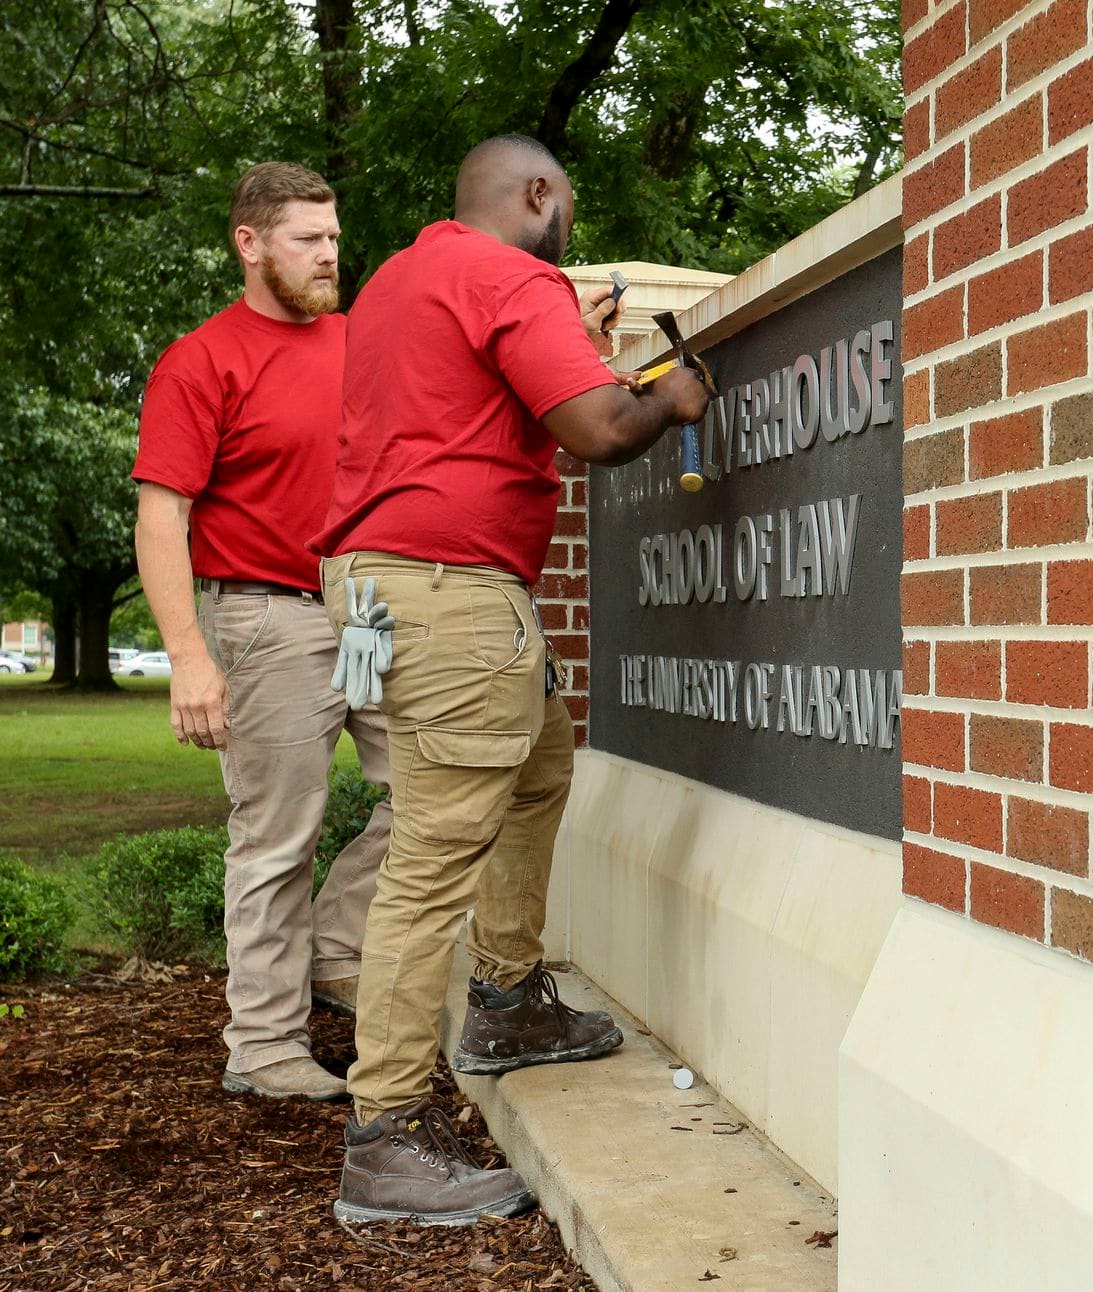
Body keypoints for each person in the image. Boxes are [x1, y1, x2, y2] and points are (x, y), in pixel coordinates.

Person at [313, 133, 711, 1225]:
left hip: (397, 581)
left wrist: (567, 347)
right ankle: (383, 1136)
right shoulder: (511, 275)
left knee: (538, 764)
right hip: (448, 590)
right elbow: (594, 426)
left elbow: (468, 412)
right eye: (565, 205)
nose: (568, 227)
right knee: (430, 853)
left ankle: (505, 997)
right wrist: (668, 396)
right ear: (537, 194)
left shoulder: (403, 277)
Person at [133, 162, 393, 1102]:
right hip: (265, 618)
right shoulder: (201, 360)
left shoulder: (359, 341)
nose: (331, 254)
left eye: (333, 237)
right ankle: (267, 1046)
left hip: (364, 609)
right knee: (278, 837)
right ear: (250, 243)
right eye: (308, 239)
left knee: (435, 793)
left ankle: (331, 950)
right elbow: (161, 516)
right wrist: (189, 660)